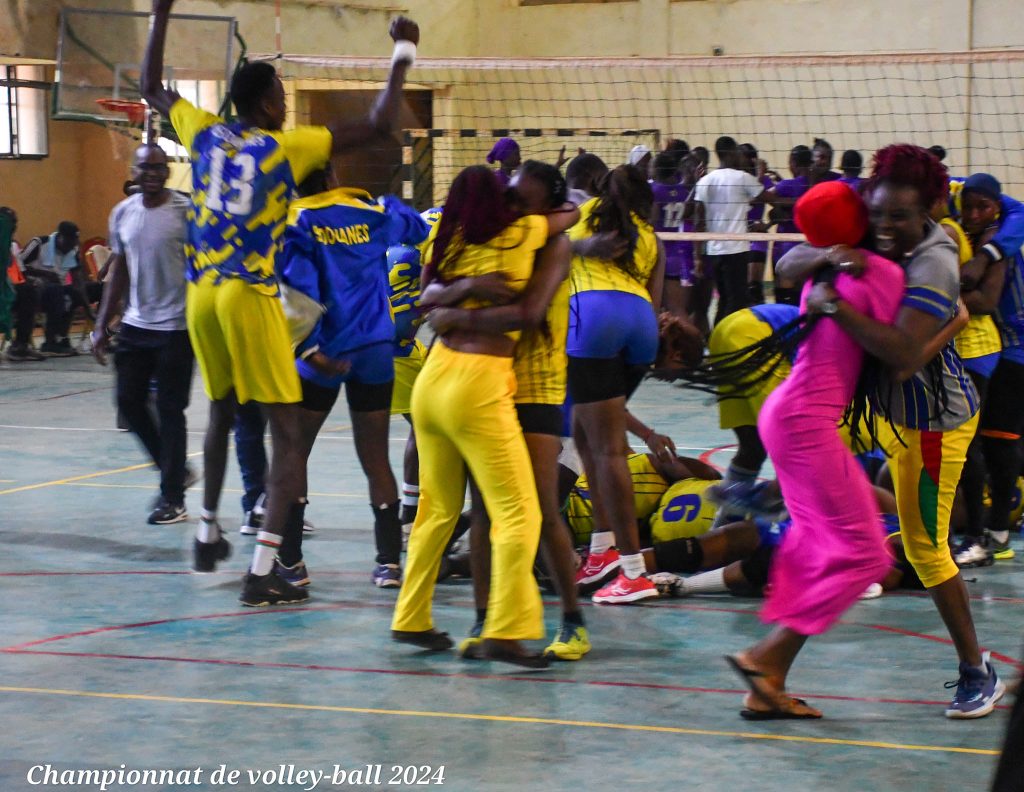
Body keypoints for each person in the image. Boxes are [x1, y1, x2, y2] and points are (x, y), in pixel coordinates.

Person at [141, 0, 420, 605]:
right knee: (291, 437)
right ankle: (269, 569)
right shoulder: (289, 150)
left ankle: (210, 527)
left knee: (221, 412)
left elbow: (149, 87)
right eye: (282, 96)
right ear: (269, 104)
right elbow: (378, 124)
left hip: (201, 293)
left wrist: (159, 13)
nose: (287, 104)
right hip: (258, 295)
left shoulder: (204, 131)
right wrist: (403, 52)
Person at [775, 144, 1004, 719]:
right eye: (875, 213)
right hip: (883, 411)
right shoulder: (873, 231)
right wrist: (833, 251)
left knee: (926, 550)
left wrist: (833, 304)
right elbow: (787, 265)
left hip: (932, 425)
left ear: (927, 210)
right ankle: (769, 665)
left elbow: (901, 355)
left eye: (898, 216)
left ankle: (977, 672)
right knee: (839, 526)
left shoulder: (934, 259)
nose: (883, 226)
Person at [723, 181, 905, 720]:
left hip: (787, 414)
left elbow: (791, 261)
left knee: (817, 543)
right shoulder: (879, 272)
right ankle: (762, 657)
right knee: (868, 555)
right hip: (805, 422)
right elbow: (902, 354)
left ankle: (768, 684)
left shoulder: (823, 269)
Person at [390, 165, 577, 667]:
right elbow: (569, 215)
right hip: (477, 382)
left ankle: (411, 617)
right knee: (519, 512)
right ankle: (505, 632)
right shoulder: (523, 232)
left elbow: (426, 298)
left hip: (433, 378)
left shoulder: (448, 241)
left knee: (436, 509)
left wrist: (458, 297)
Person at [276, 166, 429, 589]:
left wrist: (308, 349)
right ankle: (388, 564)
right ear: (330, 176)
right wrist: (386, 203)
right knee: (375, 455)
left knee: (295, 451)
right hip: (375, 349)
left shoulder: (297, 219)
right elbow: (416, 228)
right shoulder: (368, 212)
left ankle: (291, 562)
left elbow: (295, 287)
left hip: (324, 350)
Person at [567, 165, 666, 604]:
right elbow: (656, 301)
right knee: (585, 435)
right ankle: (601, 551)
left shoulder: (583, 213)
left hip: (593, 317)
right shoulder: (651, 236)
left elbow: (544, 246)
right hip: (641, 324)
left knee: (607, 449)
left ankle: (633, 571)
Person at [91, 144, 196, 525]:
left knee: (170, 411)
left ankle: (173, 498)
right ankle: (173, 469)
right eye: (144, 167)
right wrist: (102, 323)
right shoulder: (122, 213)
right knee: (128, 402)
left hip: (178, 327)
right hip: (136, 325)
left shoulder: (186, 212)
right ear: (133, 172)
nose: (152, 173)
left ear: (167, 172)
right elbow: (119, 269)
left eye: (158, 167)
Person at [960, 173, 1024, 563]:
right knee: (986, 440)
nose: (973, 214)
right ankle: (989, 528)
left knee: (1000, 439)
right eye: (968, 206)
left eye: (982, 207)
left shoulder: (999, 241)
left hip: (1016, 347)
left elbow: (985, 301)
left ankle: (997, 531)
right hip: (995, 346)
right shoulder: (965, 232)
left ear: (996, 208)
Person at [692, 136, 766, 324]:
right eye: (738, 152)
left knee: (724, 299)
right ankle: (724, 336)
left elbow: (698, 221)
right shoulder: (743, 178)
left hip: (714, 251)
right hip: (736, 250)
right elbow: (770, 198)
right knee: (736, 300)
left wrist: (698, 256)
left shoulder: (705, 181)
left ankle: (717, 336)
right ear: (731, 153)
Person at [19, 220, 97, 357]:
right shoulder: (39, 243)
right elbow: (19, 268)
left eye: (74, 244)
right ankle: (50, 342)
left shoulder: (73, 249)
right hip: (34, 291)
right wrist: (45, 274)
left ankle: (102, 335)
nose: (70, 248)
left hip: (59, 289)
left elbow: (77, 280)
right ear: (60, 237)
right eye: (68, 243)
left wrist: (87, 307)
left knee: (96, 288)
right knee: (56, 291)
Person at [762, 145, 813, 306]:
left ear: (793, 163)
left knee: (783, 300)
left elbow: (760, 197)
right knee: (803, 298)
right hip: (808, 248)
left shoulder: (786, 186)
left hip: (785, 248)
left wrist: (760, 176)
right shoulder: (815, 185)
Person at [649, 151, 696, 320]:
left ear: (656, 170)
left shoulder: (653, 190)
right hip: (678, 254)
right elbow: (689, 214)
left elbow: (652, 221)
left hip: (658, 254)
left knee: (655, 309)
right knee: (677, 309)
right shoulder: (683, 191)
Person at [0, 207, 44, 362]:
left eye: (14, 222)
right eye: (10, 222)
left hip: (7, 290)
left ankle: (20, 346)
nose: (14, 226)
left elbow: (19, 273)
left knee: (29, 291)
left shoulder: (11, 246)